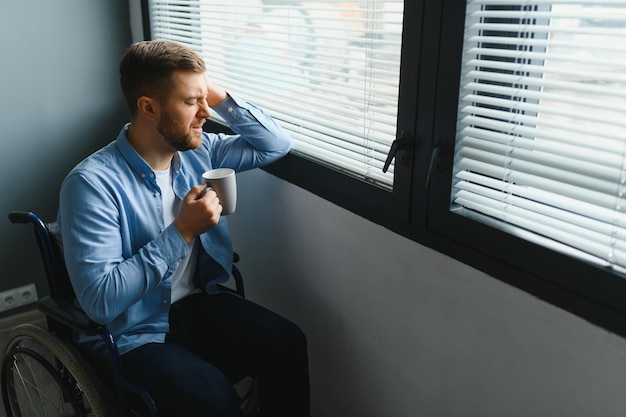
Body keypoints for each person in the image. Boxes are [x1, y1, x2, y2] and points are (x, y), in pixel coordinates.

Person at [57, 40, 310, 417]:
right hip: (132, 332)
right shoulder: (91, 185)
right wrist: (182, 232)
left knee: (288, 342)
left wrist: (215, 94)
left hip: (198, 304)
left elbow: (275, 144)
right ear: (148, 107)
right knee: (212, 399)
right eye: (192, 102)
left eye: (204, 98)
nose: (206, 113)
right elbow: (100, 301)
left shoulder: (199, 150)